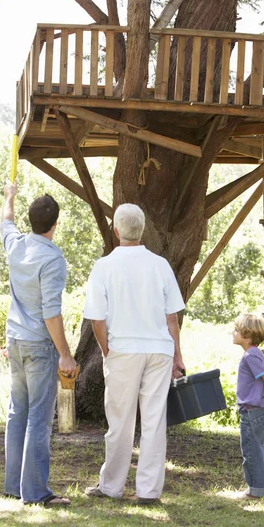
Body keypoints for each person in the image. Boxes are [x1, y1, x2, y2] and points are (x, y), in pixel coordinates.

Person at [83, 203, 185, 504]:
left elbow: (97, 319)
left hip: (123, 349)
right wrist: (177, 355)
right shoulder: (160, 265)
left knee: (120, 421)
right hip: (159, 349)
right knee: (153, 421)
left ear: (116, 231)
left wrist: (105, 349)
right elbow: (171, 318)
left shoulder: (104, 267)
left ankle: (112, 486)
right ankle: (148, 492)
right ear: (142, 231)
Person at [1, 181, 77, 507]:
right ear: (55, 225)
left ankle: (13, 486)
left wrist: (9, 197)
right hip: (38, 346)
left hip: (14, 340)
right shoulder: (53, 259)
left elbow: (6, 222)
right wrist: (66, 354)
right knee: (37, 418)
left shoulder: (16, 245)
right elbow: (51, 312)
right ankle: (34, 493)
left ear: (31, 222)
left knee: (17, 412)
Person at [232, 313, 264, 500]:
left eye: (236, 330)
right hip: (260, 410)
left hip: (252, 411)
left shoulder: (250, 356)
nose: (233, 332)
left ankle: (255, 490)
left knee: (252, 451)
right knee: (262, 448)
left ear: (248, 335)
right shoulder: (255, 354)